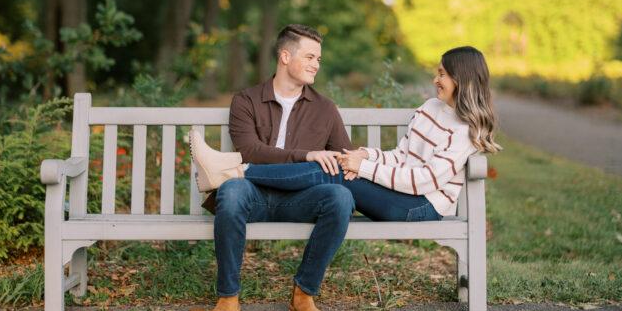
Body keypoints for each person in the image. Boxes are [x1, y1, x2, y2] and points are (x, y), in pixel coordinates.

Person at [191, 45, 501, 229]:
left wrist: (361, 168)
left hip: (420, 207)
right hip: (400, 193)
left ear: (462, 80)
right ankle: (231, 172)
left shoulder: (465, 133)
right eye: (438, 72)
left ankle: (236, 171)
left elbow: (422, 181)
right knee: (337, 162)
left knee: (335, 168)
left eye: (443, 74)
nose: (436, 80)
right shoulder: (431, 107)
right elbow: (401, 155)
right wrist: (364, 155)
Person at [195, 24, 354, 311]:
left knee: (341, 196)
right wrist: (305, 155)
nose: (316, 65)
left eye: (318, 59)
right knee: (231, 191)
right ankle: (227, 298)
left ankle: (303, 296)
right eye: (309, 57)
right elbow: (250, 150)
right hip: (253, 194)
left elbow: (342, 163)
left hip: (300, 199)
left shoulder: (325, 109)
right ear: (284, 56)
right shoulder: (246, 100)